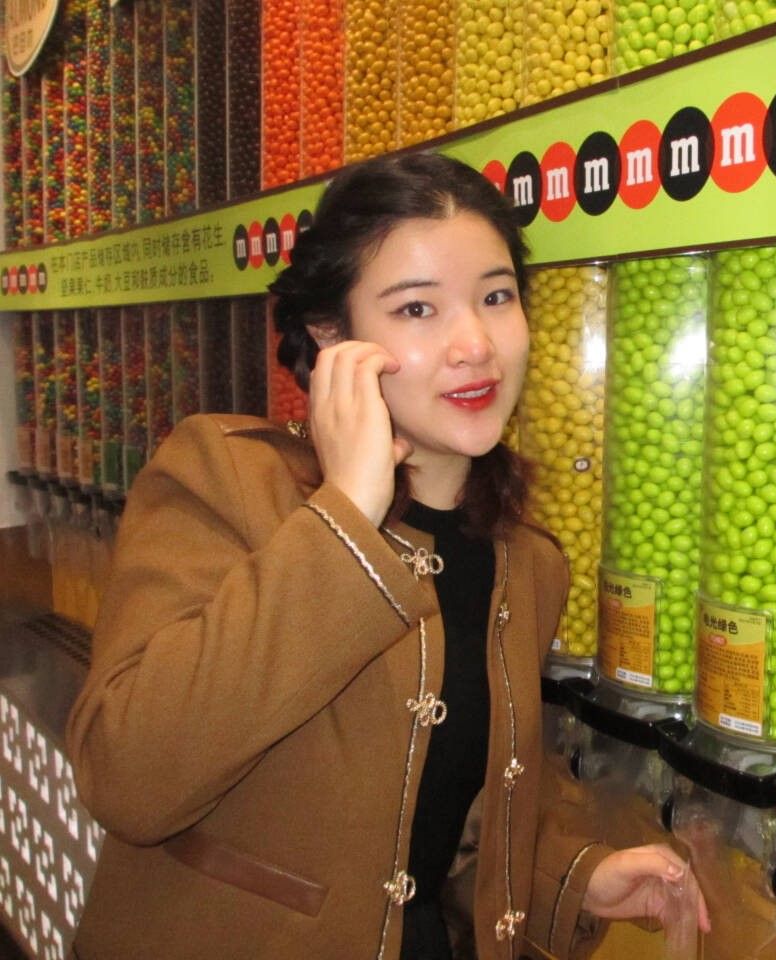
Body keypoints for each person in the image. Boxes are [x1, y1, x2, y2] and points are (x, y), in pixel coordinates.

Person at [66, 151, 708, 960]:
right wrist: (346, 515)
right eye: (416, 309)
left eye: (496, 296)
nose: (474, 344)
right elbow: (127, 778)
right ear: (332, 336)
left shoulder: (526, 562)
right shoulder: (227, 478)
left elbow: (430, 825)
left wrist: (571, 880)